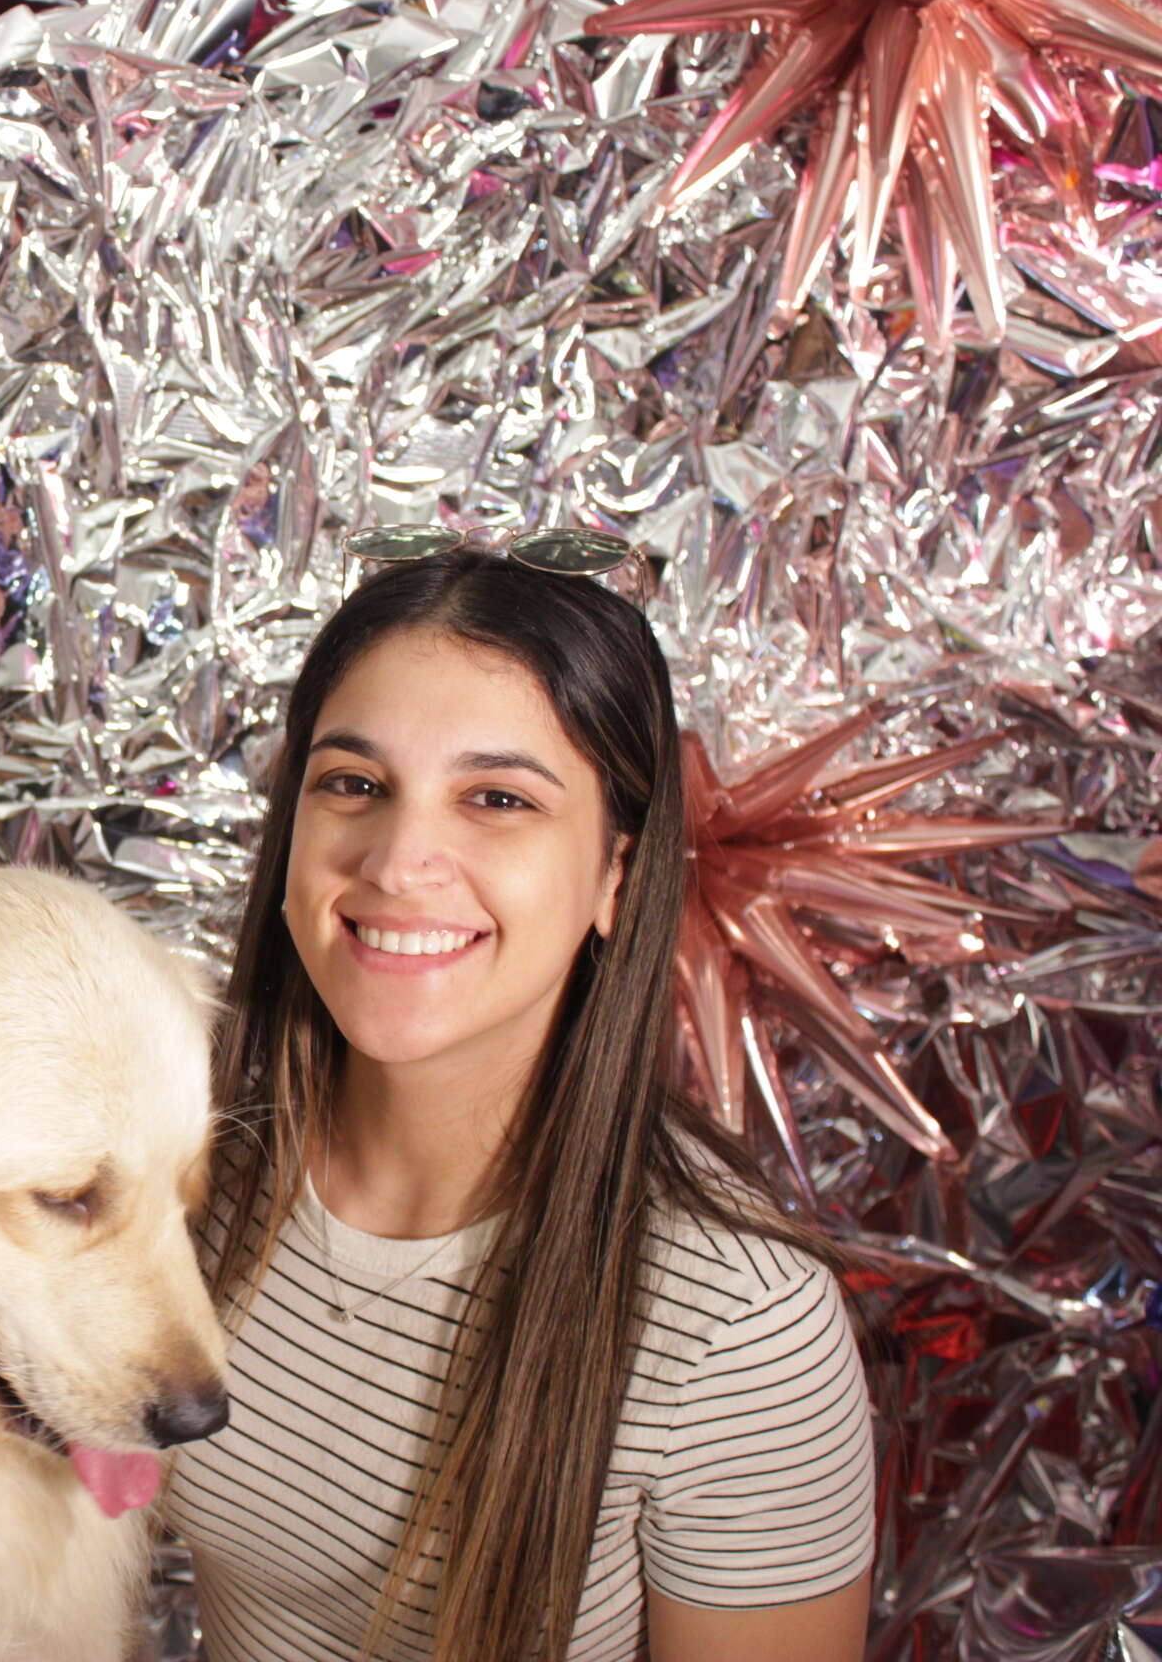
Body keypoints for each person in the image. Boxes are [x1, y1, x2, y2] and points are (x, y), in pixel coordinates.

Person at [171, 547, 878, 1662]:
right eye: (354, 784)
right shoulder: (178, 1160)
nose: (399, 862)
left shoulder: (737, 1329)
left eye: (497, 799)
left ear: (614, 876)